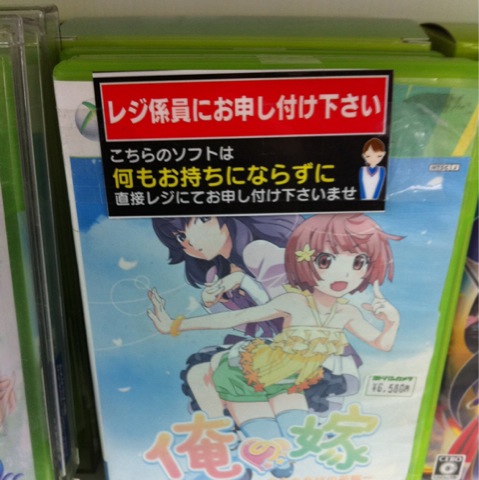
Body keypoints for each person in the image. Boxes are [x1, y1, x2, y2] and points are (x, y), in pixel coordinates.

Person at [148, 214, 401, 475]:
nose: (343, 274)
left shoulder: (347, 313)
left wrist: (392, 322)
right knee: (269, 447)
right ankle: (230, 456)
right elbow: (237, 318)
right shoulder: (293, 302)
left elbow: (381, 343)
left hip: (291, 382)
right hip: (247, 375)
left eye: (358, 262)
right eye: (325, 261)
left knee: (293, 443)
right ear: (303, 260)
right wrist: (176, 325)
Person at [152, 215, 303, 416]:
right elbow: (253, 327)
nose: (191, 241)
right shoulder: (217, 273)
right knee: (199, 373)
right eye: (181, 237)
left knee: (222, 369)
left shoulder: (259, 252)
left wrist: (244, 282)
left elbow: (286, 307)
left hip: (304, 347)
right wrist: (215, 304)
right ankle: (223, 428)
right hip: (273, 347)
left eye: (202, 220)